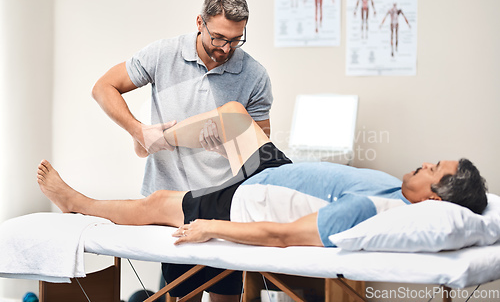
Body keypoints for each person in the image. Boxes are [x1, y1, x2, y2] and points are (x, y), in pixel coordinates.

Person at [38, 102, 488, 287]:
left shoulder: (373, 211)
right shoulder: (398, 191)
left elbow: (284, 237)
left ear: (435, 201)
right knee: (233, 116)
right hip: (278, 173)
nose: (427, 163)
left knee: (160, 203)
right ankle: (151, 139)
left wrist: (214, 226)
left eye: (435, 170)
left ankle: (77, 203)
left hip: (247, 200)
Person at [91, 0, 272, 301]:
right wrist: (138, 131)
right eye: (218, 37)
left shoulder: (254, 75)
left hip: (220, 202)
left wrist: (226, 149)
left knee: (225, 296)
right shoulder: (164, 54)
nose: (226, 48)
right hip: (170, 199)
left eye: (235, 39)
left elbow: (262, 150)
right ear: (199, 22)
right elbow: (103, 87)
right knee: (181, 295)